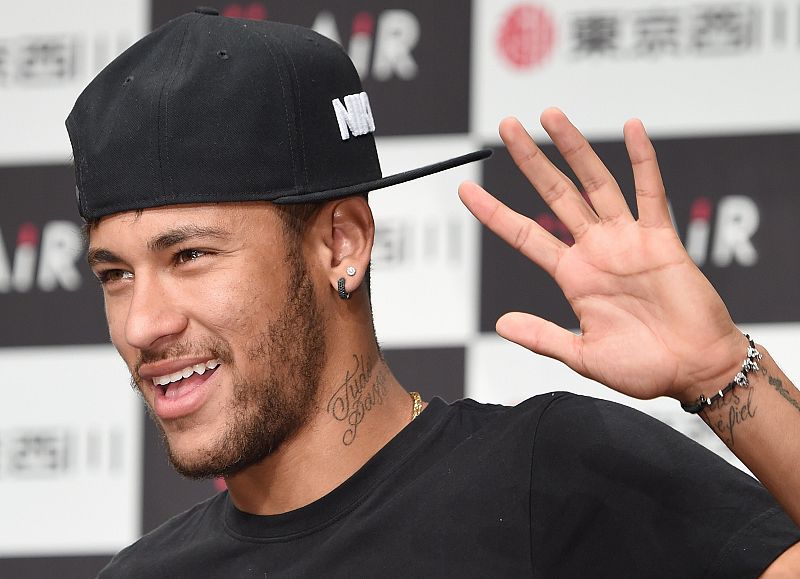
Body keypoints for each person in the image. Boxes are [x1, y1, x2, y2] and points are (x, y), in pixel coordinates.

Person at [66, 8, 800, 578]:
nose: (142, 324)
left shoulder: (551, 477)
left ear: (341, 244)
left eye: (190, 255)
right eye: (114, 274)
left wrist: (721, 373)